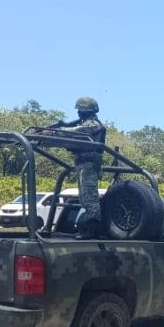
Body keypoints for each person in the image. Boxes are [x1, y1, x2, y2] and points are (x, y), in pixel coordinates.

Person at [57, 97, 107, 238]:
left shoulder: (93, 124)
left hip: (90, 164)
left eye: (80, 110)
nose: (79, 113)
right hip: (83, 164)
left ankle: (93, 229)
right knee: (84, 198)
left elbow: (77, 131)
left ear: (86, 111)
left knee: (90, 198)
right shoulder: (86, 122)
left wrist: (58, 130)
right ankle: (89, 228)